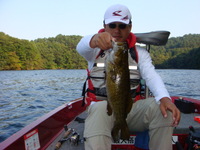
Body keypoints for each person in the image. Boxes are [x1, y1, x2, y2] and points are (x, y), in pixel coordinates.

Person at [76, 4, 181, 150]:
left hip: (130, 109)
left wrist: (164, 98)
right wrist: (95, 39)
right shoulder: (94, 51)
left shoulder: (140, 53)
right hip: (101, 111)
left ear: (130, 27)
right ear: (104, 26)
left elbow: (151, 76)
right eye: (112, 25)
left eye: (122, 25)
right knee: (99, 109)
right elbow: (80, 47)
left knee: (163, 110)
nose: (117, 30)